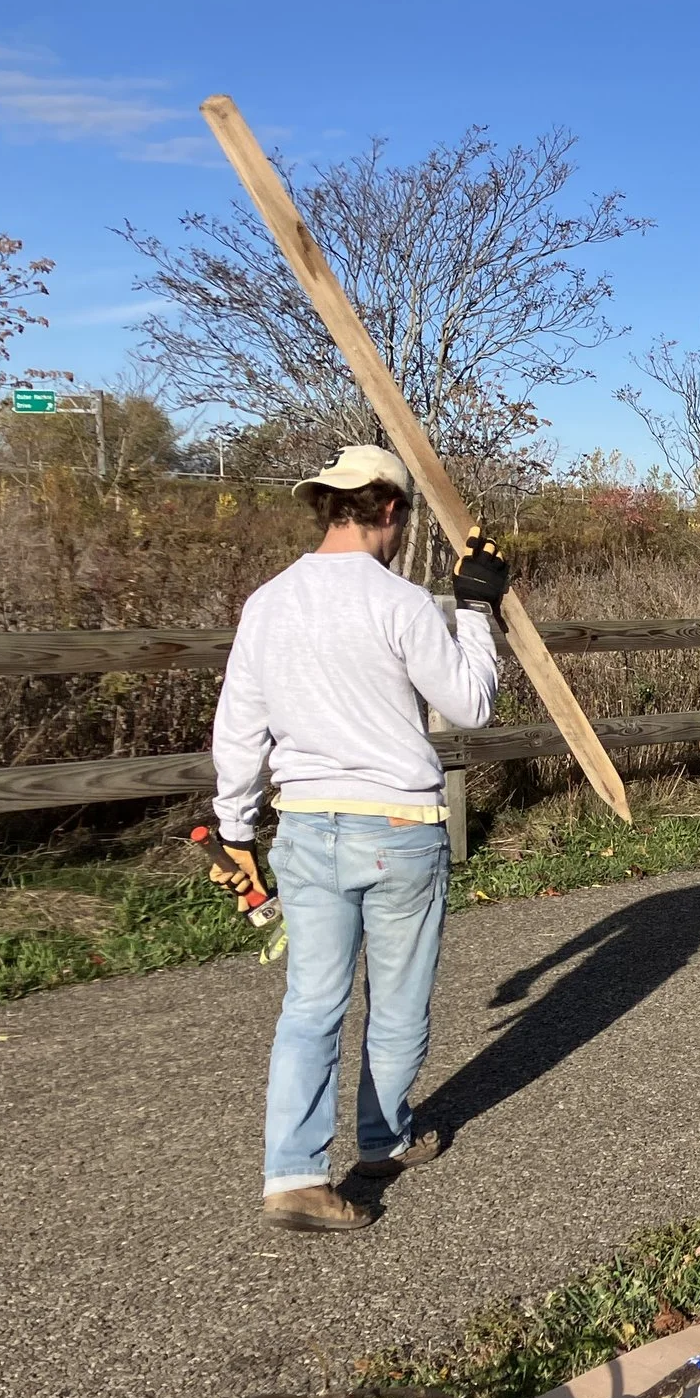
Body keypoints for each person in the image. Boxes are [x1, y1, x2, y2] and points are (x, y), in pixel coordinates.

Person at [211, 444, 508, 1231]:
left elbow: (239, 728)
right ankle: (383, 1137)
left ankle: (293, 1174)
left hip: (307, 826)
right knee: (398, 999)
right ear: (391, 511)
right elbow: (471, 704)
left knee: (311, 1003)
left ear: (330, 505)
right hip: (398, 826)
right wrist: (476, 608)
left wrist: (235, 828)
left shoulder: (268, 603)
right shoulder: (400, 602)